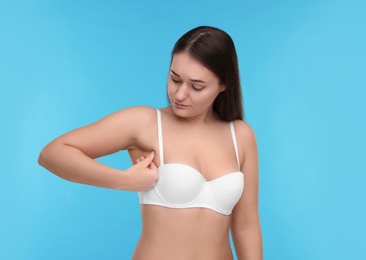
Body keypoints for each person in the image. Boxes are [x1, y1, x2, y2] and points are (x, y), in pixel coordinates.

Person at [38, 25, 263, 260]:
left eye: (197, 86)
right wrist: (122, 180)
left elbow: (246, 225)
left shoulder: (241, 136)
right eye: (175, 79)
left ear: (224, 84)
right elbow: (52, 153)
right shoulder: (146, 123)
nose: (179, 94)